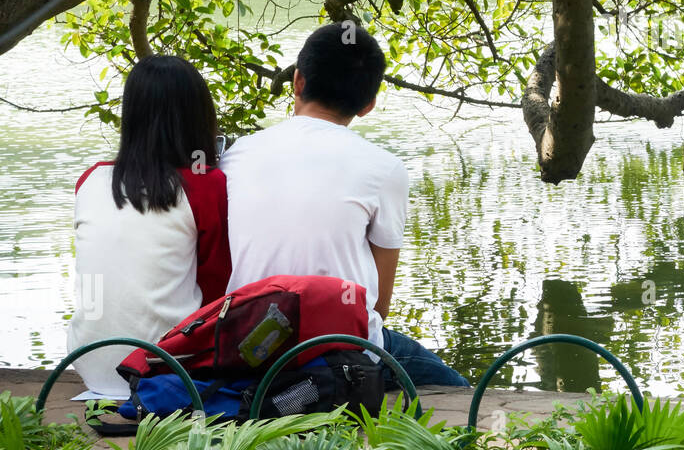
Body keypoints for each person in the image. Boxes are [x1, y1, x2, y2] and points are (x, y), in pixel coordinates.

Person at [219, 20, 468, 388]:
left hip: (248, 345)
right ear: (368, 105)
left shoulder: (236, 155)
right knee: (459, 390)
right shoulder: (385, 169)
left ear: (298, 82)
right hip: (342, 351)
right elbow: (378, 307)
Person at [68, 56, 230, 397]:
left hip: (90, 363)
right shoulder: (204, 184)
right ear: (199, 115)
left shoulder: (91, 179)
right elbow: (218, 290)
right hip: (166, 371)